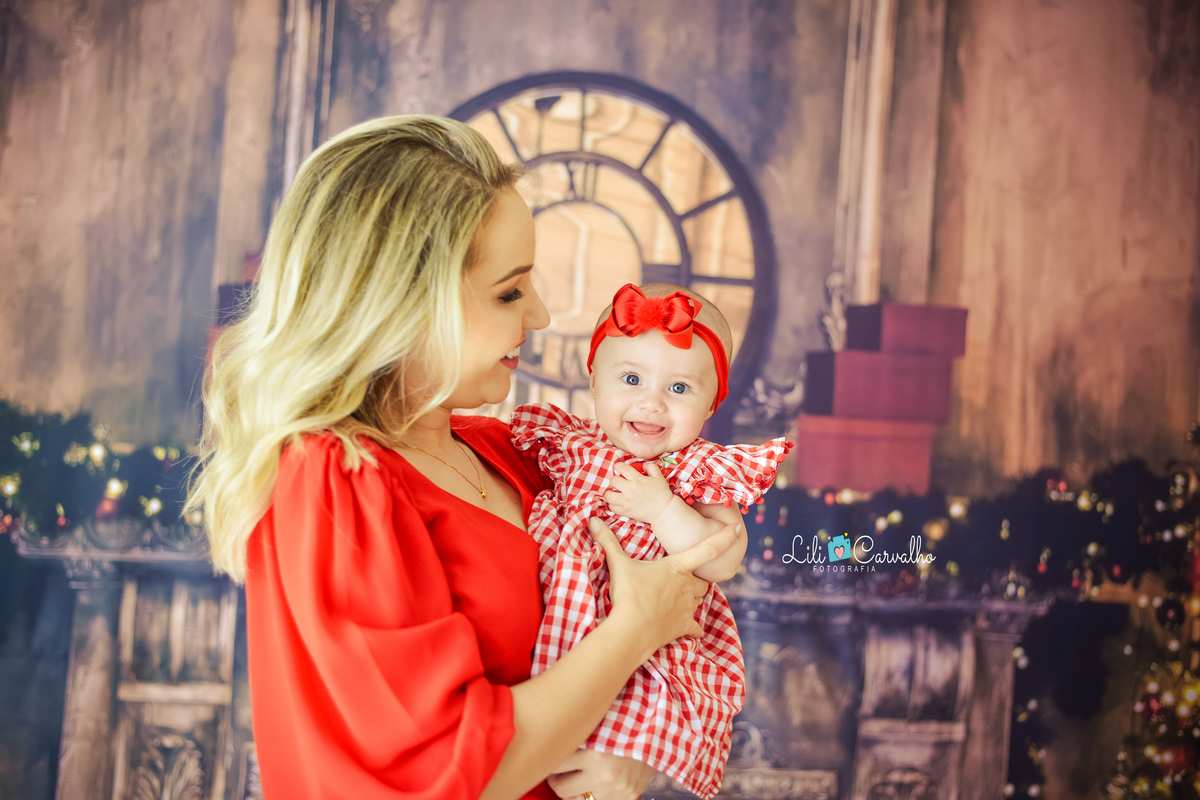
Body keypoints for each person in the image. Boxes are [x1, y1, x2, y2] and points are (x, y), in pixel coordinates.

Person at [184, 116, 745, 800]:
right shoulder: (332, 478)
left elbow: (666, 584)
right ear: (402, 305)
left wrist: (632, 754)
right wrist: (636, 630)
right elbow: (450, 770)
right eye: (509, 291)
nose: (539, 315)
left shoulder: (512, 452)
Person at [510, 284, 791, 798]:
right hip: (557, 616)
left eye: (679, 388)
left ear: (711, 405)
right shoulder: (570, 444)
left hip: (645, 648)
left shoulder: (694, 470)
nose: (652, 403)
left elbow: (723, 556)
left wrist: (662, 509)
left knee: (614, 731)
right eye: (631, 379)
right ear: (594, 382)